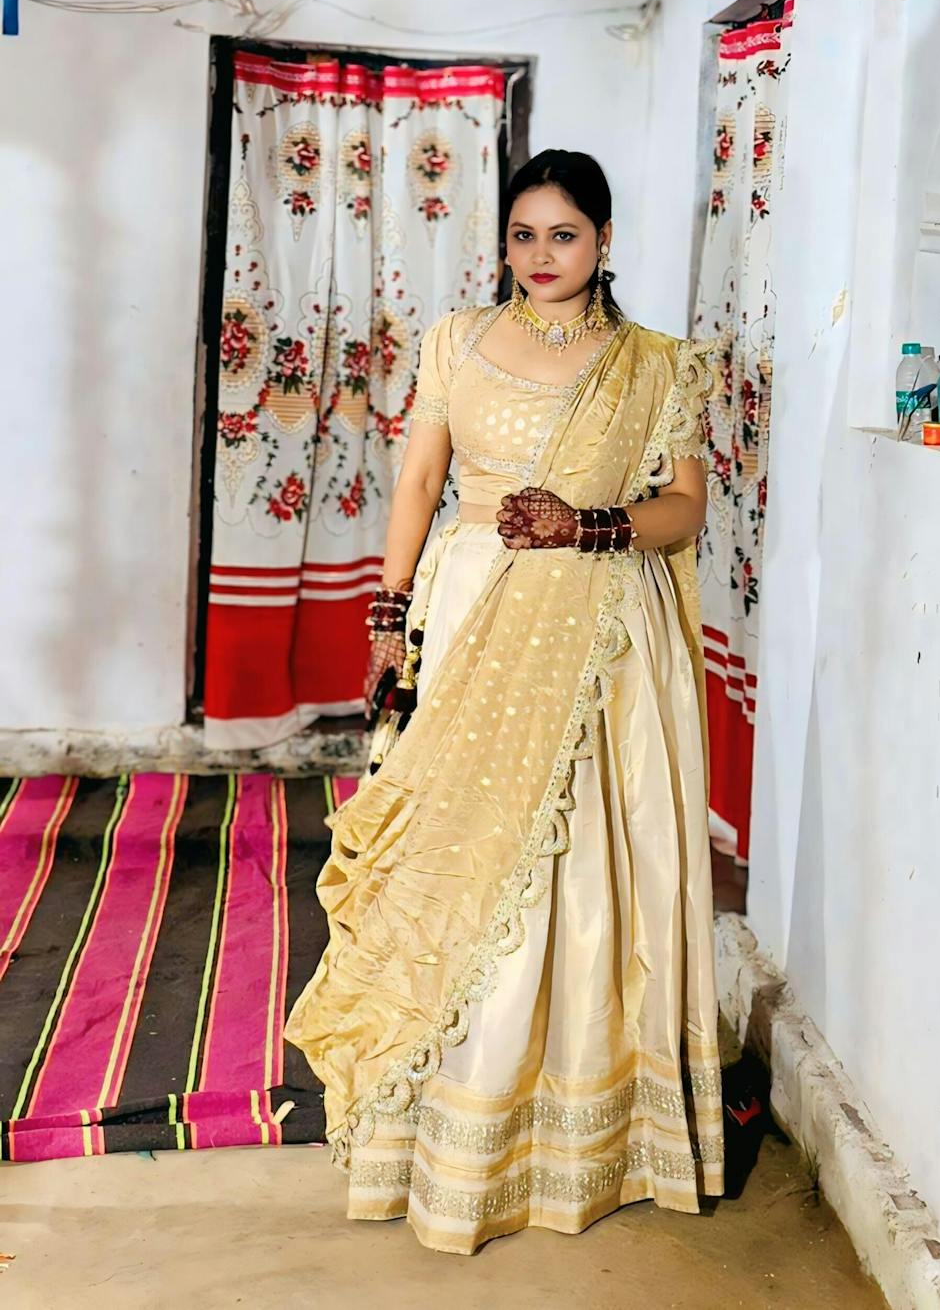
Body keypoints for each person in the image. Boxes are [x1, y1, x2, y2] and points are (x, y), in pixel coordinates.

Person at [285, 148, 724, 1255]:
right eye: (524, 235)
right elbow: (420, 481)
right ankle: (445, 1118)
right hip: (474, 608)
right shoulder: (455, 341)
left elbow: (683, 509)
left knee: (582, 857)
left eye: (564, 235)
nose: (541, 255)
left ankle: (579, 1126)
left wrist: (587, 526)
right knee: (461, 848)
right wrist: (388, 614)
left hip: (601, 625)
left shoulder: (654, 364)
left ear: (604, 241)